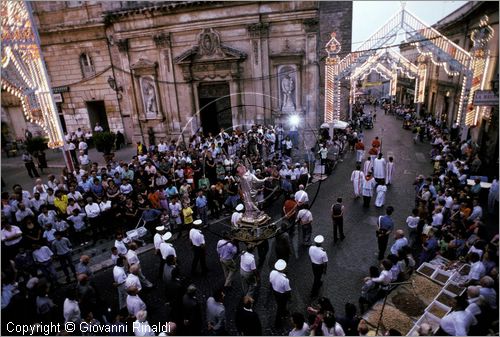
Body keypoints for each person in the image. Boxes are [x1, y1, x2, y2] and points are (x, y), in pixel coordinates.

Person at [269, 259, 291, 327]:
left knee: (280, 304)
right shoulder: (285, 280)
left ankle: (284, 311)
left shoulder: (272, 272)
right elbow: (287, 290)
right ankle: (277, 323)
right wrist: (290, 297)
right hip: (282, 295)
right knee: (280, 307)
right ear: (283, 269)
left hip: (275, 291)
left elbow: (270, 281)